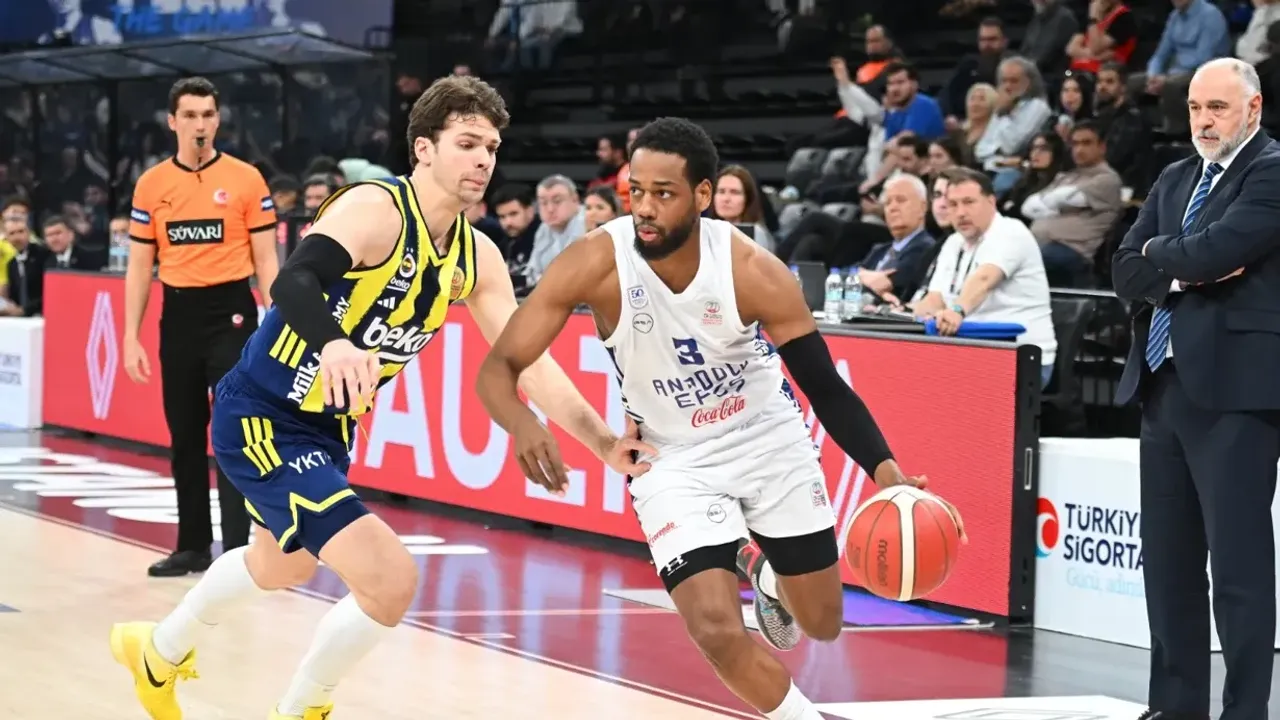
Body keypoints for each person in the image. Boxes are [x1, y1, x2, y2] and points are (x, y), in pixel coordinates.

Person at [109, 75, 648, 720]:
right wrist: (335, 343)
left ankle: (157, 652)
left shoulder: (476, 257)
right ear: (424, 148)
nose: (483, 159)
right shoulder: (376, 210)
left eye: (492, 147)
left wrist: (604, 443)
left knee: (279, 566)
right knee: (391, 579)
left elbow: (525, 362)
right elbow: (294, 281)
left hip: (329, 429)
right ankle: (301, 709)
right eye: (467, 143)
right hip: (264, 413)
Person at [475, 117, 966, 720]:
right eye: (636, 191)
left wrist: (887, 475)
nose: (645, 208)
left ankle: (766, 576)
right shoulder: (596, 262)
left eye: (664, 193)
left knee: (822, 622)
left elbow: (825, 388)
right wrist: (523, 423)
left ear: (703, 195)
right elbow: (499, 368)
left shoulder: (752, 270)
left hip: (765, 437)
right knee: (713, 629)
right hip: (671, 456)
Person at [1111, 58, 1280, 720]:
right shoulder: (1176, 176)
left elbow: (1220, 250)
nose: (1203, 121)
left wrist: (1164, 255)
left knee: (1238, 570)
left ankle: (1245, 712)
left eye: (1218, 108)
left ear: (1253, 108)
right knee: (1169, 566)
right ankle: (1175, 708)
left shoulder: (1271, 170)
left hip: (1237, 393)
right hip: (1162, 385)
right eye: (1194, 108)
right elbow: (1122, 266)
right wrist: (1177, 265)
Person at [122, 76, 280, 577]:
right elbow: (139, 267)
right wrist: (130, 336)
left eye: (208, 114)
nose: (200, 124)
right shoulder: (151, 184)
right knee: (184, 433)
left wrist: (279, 321)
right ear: (173, 122)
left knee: (232, 430)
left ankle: (234, 551)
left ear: (218, 119)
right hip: (179, 315)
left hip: (232, 312)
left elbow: (266, 260)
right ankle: (191, 546)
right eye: (190, 115)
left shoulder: (246, 179)